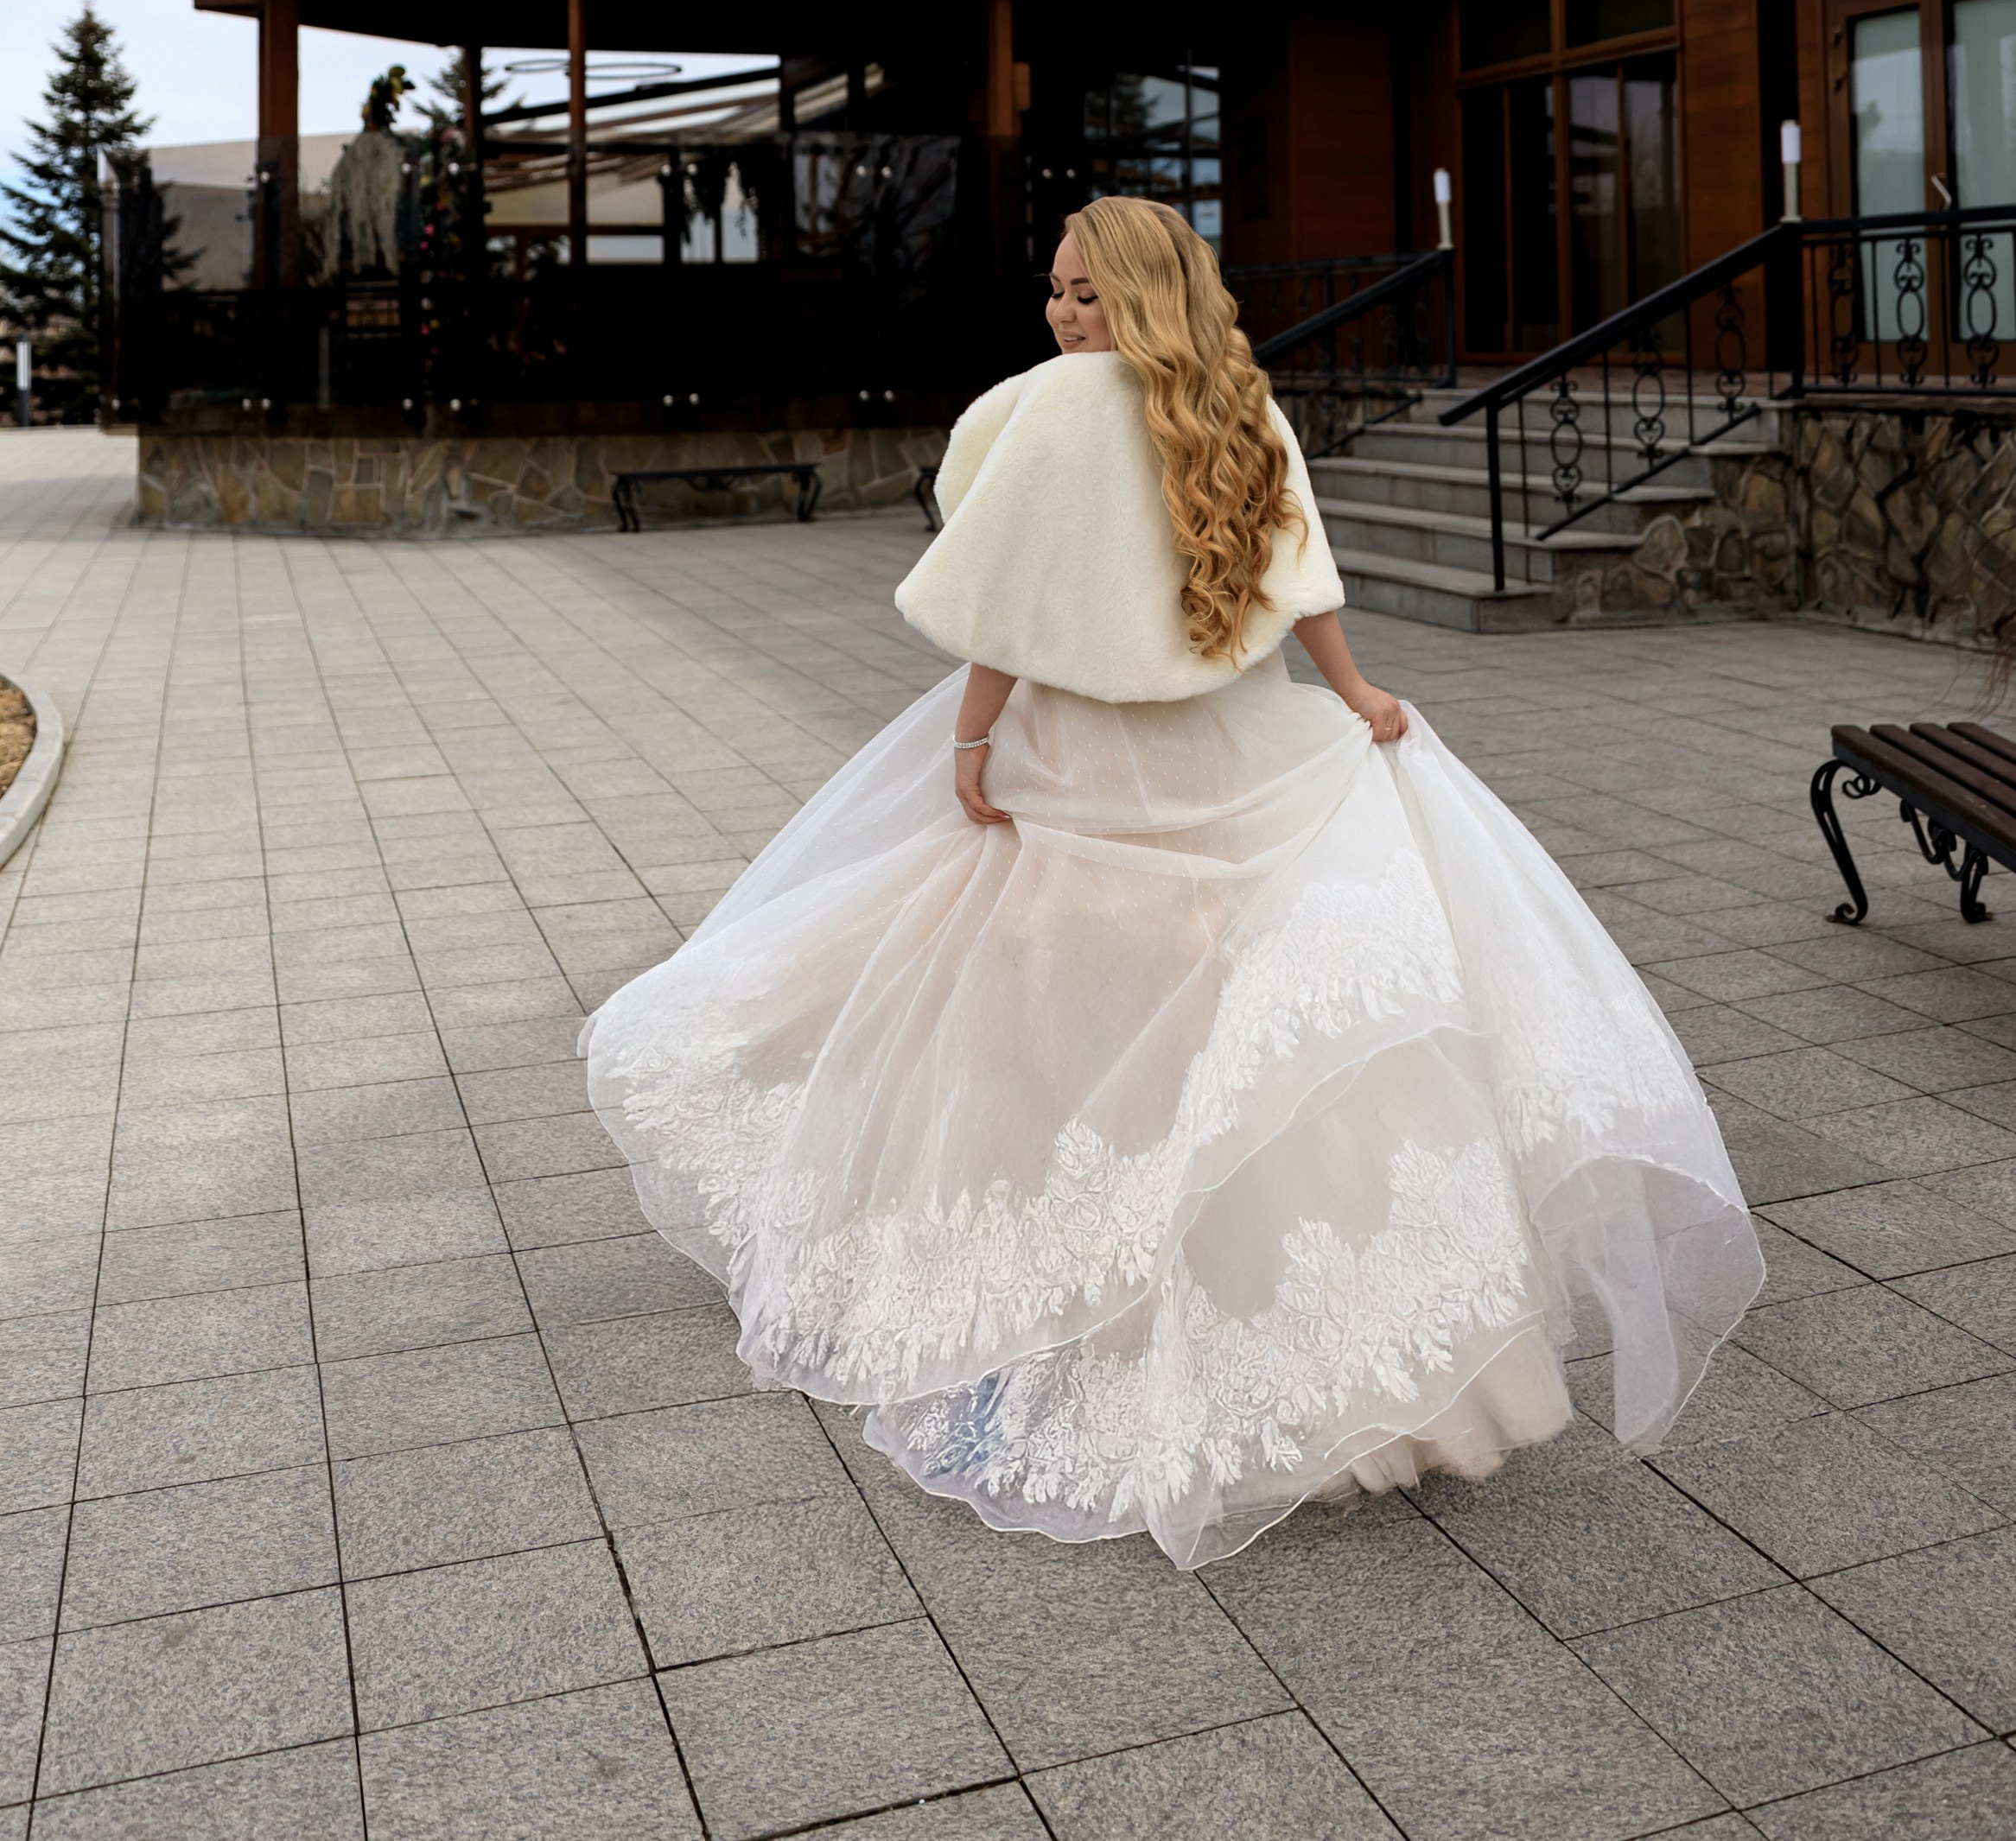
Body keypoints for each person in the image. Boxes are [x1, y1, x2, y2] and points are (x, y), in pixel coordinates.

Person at [583, 196, 1761, 1568]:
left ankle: (1057, 1305)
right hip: (1220, 750)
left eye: (1087, 293)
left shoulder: (1047, 413)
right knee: (1228, 1034)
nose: (1065, 314)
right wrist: (1351, 692)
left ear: (1141, 295)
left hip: (1084, 754)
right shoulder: (1233, 405)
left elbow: (1006, 610)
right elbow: (1297, 577)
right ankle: (1314, 1361)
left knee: (1053, 1027)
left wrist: (970, 740)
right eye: (1056, 291)